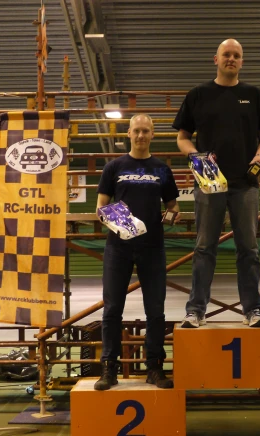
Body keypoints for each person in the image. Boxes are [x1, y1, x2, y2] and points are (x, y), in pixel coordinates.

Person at [173, 38, 260, 329]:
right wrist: (196, 157)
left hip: (245, 183)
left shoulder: (254, 95)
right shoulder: (198, 95)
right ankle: (196, 310)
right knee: (204, 248)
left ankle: (253, 310)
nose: (231, 59)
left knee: (249, 249)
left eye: (237, 55)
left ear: (242, 61)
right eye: (226, 55)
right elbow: (182, 137)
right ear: (215, 59)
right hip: (209, 183)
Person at [94, 113, 180, 391]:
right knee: (112, 310)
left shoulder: (162, 169)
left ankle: (154, 367)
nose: (141, 135)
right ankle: (109, 368)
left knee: (155, 311)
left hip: (152, 248)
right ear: (128, 134)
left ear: (152, 134)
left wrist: (172, 215)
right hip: (118, 248)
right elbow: (101, 208)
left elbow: (173, 206)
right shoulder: (114, 167)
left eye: (146, 131)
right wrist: (124, 224)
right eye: (136, 131)